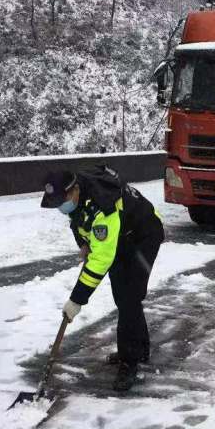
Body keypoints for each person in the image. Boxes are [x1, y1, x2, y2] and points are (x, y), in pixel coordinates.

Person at [41, 166, 165, 392]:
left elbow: (100, 261)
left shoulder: (103, 206)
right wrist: (83, 243)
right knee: (123, 295)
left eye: (62, 200)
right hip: (121, 236)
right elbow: (77, 220)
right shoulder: (80, 195)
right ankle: (140, 348)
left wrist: (76, 300)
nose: (61, 207)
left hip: (143, 234)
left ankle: (130, 362)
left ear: (74, 189)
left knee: (129, 297)